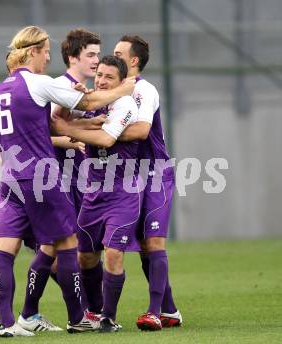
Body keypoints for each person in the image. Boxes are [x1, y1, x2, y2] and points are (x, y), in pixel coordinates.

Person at [0, 25, 134, 337]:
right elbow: (85, 103)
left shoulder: (1, 90)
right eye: (45, 51)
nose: (48, 57)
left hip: (10, 179)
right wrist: (122, 91)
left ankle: (9, 324)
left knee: (6, 251)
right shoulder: (38, 83)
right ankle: (77, 317)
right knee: (67, 244)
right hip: (41, 177)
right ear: (32, 51)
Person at [17, 28, 102, 331]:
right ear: (73, 56)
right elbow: (48, 130)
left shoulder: (72, 87)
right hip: (57, 182)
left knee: (80, 251)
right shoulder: (55, 86)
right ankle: (82, 315)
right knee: (65, 250)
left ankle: (87, 313)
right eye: (90, 54)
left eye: (97, 53)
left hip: (79, 181)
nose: (96, 60)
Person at [52, 55, 140, 333]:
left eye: (108, 77)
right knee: (85, 258)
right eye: (99, 74)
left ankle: (108, 318)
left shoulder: (125, 103)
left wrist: (71, 130)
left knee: (113, 253)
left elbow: (106, 139)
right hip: (93, 193)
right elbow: (55, 122)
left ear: (120, 83)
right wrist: (70, 106)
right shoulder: (90, 100)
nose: (101, 80)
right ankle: (93, 312)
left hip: (122, 193)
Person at [114, 35, 183, 330]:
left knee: (153, 241)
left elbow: (142, 131)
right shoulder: (111, 91)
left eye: (118, 53)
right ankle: (169, 310)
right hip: (127, 176)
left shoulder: (144, 90)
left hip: (154, 173)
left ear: (133, 61)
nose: (112, 56)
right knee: (143, 245)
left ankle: (154, 312)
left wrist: (104, 133)